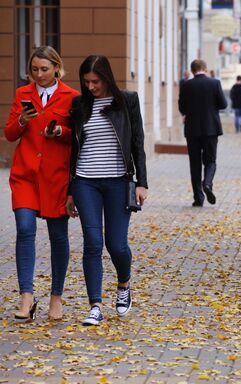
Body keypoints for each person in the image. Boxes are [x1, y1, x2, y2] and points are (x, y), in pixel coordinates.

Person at [66, 55, 148, 326]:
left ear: (107, 78)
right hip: (85, 181)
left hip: (117, 182)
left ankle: (124, 285)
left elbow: (138, 142)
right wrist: (70, 190)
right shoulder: (79, 104)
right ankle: (95, 306)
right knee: (92, 243)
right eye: (86, 82)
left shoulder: (127, 101)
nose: (90, 87)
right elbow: (74, 149)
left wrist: (142, 182)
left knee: (117, 245)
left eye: (96, 81)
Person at [4, 46, 79, 321]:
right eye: (34, 69)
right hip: (25, 175)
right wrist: (22, 120)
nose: (39, 75)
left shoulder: (72, 97)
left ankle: (56, 297)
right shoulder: (22, 94)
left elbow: (77, 137)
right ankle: (26, 296)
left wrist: (61, 131)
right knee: (25, 229)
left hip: (56, 178)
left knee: (58, 237)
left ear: (57, 68)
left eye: (44, 69)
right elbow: (10, 133)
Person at [178, 59, 227, 206]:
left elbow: (182, 108)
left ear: (192, 70)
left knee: (195, 163)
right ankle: (207, 183)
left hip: (192, 129)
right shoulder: (214, 83)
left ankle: (198, 198)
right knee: (210, 160)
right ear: (205, 69)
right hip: (211, 128)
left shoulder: (186, 85)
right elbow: (223, 104)